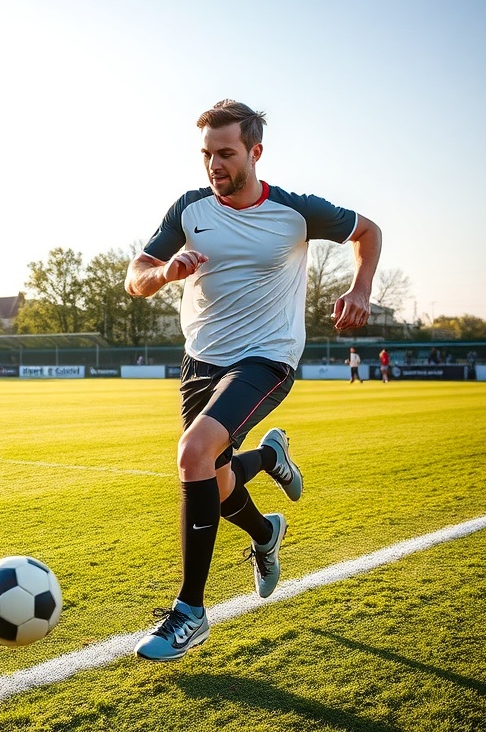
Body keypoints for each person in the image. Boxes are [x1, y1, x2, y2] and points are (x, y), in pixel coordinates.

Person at [124, 99, 381, 661]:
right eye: (207, 154)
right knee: (213, 481)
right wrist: (165, 272)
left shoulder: (295, 210)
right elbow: (134, 277)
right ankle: (267, 513)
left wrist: (360, 290)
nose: (214, 165)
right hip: (201, 363)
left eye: (226, 153)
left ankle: (189, 612)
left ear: (254, 152)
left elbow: (369, 231)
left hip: (267, 358)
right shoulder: (188, 210)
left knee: (193, 453)